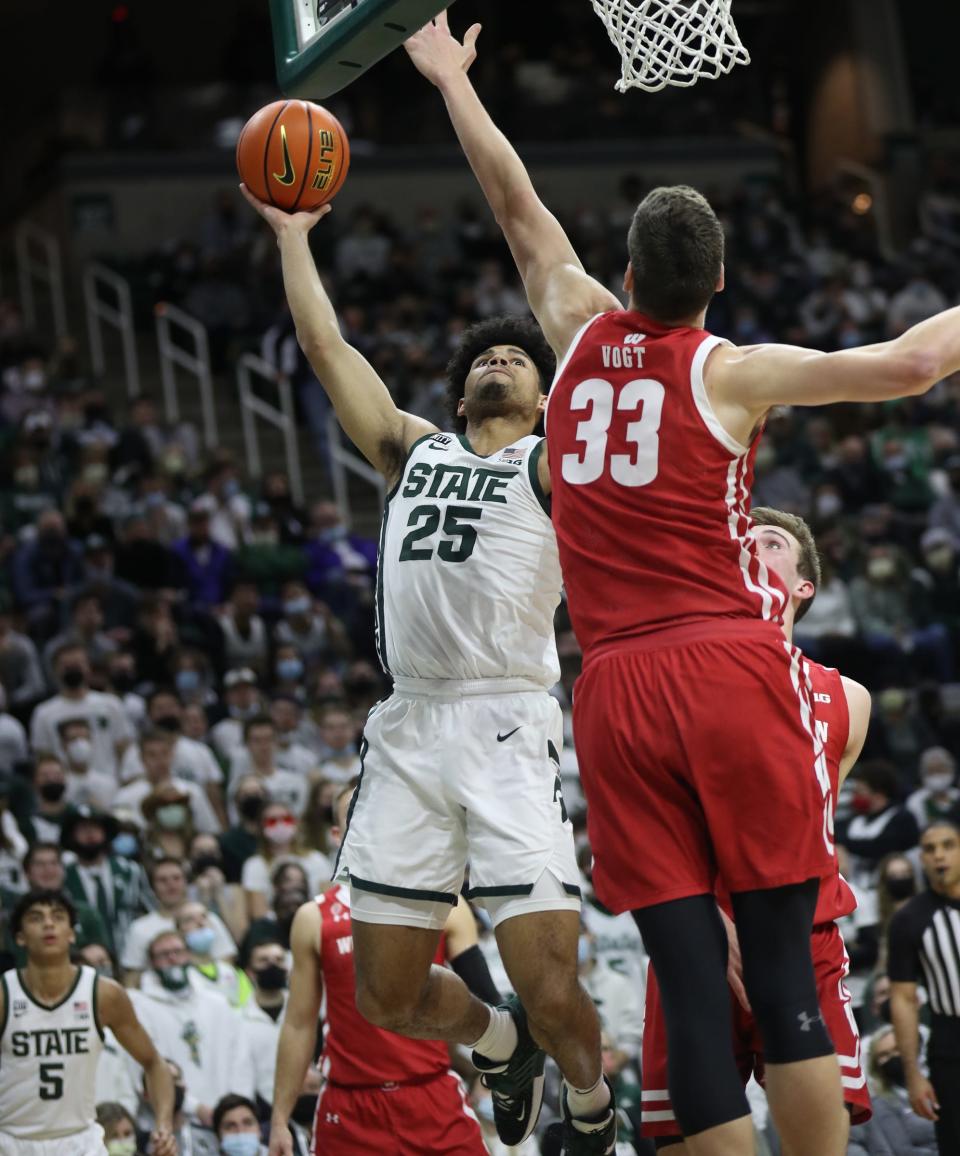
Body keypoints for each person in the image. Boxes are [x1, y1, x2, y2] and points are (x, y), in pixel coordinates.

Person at [403, 17, 960, 1155]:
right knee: (783, 966)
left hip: (610, 687)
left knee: (690, 985)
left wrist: (455, 81)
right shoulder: (731, 368)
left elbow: (515, 205)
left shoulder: (572, 321)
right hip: (726, 666)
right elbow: (910, 362)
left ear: (623, 276)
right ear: (716, 281)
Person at [242, 162, 609, 1153]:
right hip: (409, 725)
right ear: (458, 392)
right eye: (482, 356)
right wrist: (292, 236)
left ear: (544, 398)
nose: (498, 359)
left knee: (552, 984)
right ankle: (499, 1047)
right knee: (388, 992)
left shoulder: (549, 465)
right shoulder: (414, 450)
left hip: (504, 720)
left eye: (516, 357)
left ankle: (589, 1099)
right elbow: (324, 345)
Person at [638, 508, 873, 1149]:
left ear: (804, 586)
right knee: (683, 1142)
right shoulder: (673, 677)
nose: (751, 549)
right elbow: (655, 826)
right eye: (742, 543)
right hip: (696, 929)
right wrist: (711, 924)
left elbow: (813, 827)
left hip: (803, 935)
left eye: (770, 543)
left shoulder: (847, 698)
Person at [267, 787, 494, 1156]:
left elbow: (488, 1000)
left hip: (431, 1095)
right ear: (338, 835)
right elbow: (298, 1023)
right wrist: (280, 1119)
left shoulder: (445, 902)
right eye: (357, 811)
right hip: (350, 1107)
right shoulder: (313, 918)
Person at [0, 889, 176, 1156]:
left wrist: (164, 1124)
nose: (48, 924)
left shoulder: (103, 994)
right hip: (12, 1140)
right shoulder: (4, 995)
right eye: (36, 918)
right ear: (20, 937)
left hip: (80, 1142)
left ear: (71, 933)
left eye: (57, 917)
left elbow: (154, 1063)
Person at [131, 930, 254, 1124]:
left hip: (228, 1119)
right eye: (164, 955)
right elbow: (145, 1071)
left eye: (177, 952)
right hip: (176, 1118)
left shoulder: (217, 1003)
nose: (172, 959)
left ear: (188, 955)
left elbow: (240, 1059)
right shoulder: (141, 1008)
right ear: (152, 962)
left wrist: (235, 1108)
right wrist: (194, 1108)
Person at [889, 819, 960, 1153]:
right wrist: (914, 1073)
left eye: (948, 845)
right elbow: (903, 999)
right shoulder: (909, 919)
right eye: (929, 849)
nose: (939, 856)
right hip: (950, 1040)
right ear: (921, 858)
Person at [122, 857, 236, 985]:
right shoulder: (139, 928)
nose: (171, 884)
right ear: (152, 887)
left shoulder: (208, 918)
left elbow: (227, 963)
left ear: (186, 882)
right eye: (162, 880)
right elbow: (132, 978)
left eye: (176, 878)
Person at [30, 644, 134, 779]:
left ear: (88, 667)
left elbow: (123, 747)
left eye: (78, 664)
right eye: (67, 666)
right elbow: (43, 756)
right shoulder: (44, 713)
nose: (73, 670)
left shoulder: (110, 704)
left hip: (108, 782)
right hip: (66, 789)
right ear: (55, 670)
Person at [62, 806, 149, 959]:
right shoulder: (63, 876)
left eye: (95, 827)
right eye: (82, 829)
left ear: (106, 832)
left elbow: (150, 910)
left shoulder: (130, 871)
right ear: (71, 835)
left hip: (129, 954)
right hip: (83, 959)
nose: (90, 834)